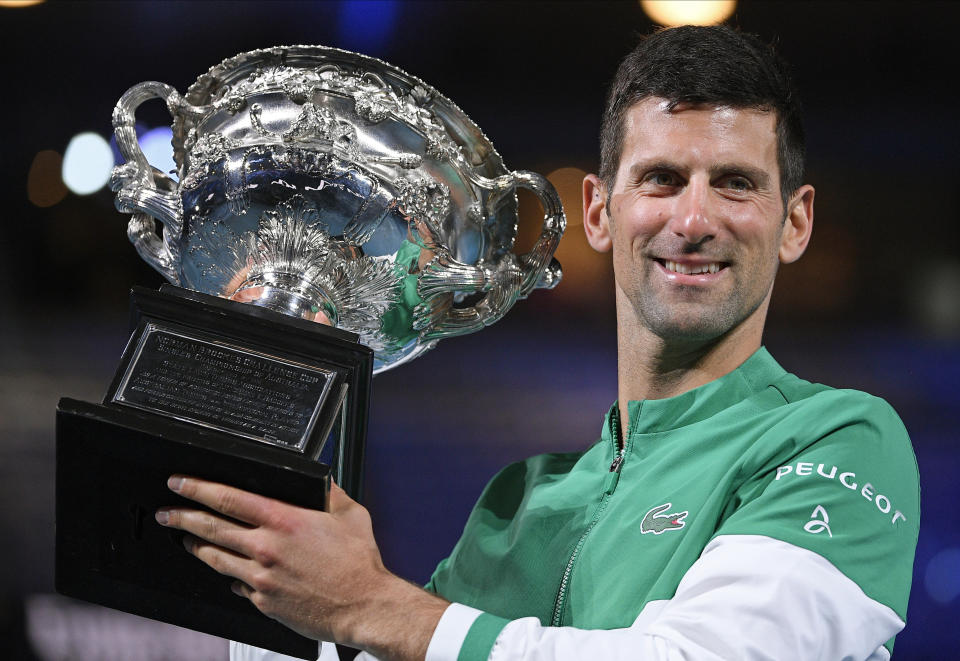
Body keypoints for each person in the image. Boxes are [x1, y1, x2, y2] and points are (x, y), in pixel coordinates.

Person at [154, 25, 920, 661]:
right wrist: (266, 486)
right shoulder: (519, 506)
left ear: (795, 222)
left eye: (735, 183)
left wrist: (368, 602)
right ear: (598, 211)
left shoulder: (837, 440)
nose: (693, 220)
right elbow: (374, 631)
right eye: (659, 179)